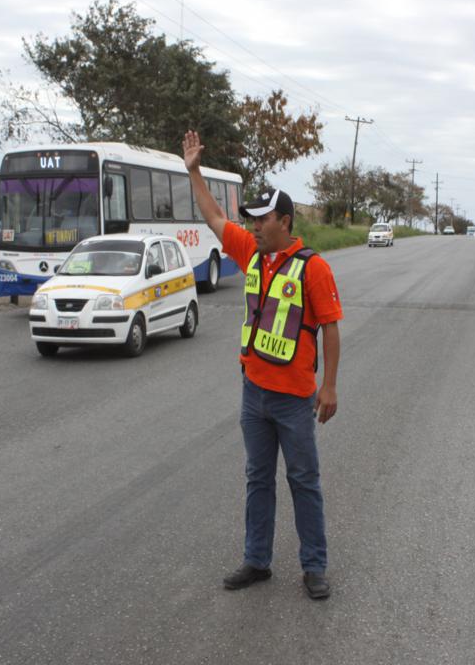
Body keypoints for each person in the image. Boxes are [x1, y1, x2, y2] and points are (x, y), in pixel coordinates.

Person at [183, 130, 342, 601]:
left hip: (295, 399)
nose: (252, 226)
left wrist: (328, 387)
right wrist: (193, 169)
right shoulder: (252, 253)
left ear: (286, 222)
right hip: (254, 392)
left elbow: (330, 328)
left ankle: (314, 566)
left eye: (262, 218)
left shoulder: (313, 268)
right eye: (250, 219)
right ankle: (257, 560)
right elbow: (213, 216)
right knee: (258, 478)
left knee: (303, 482)